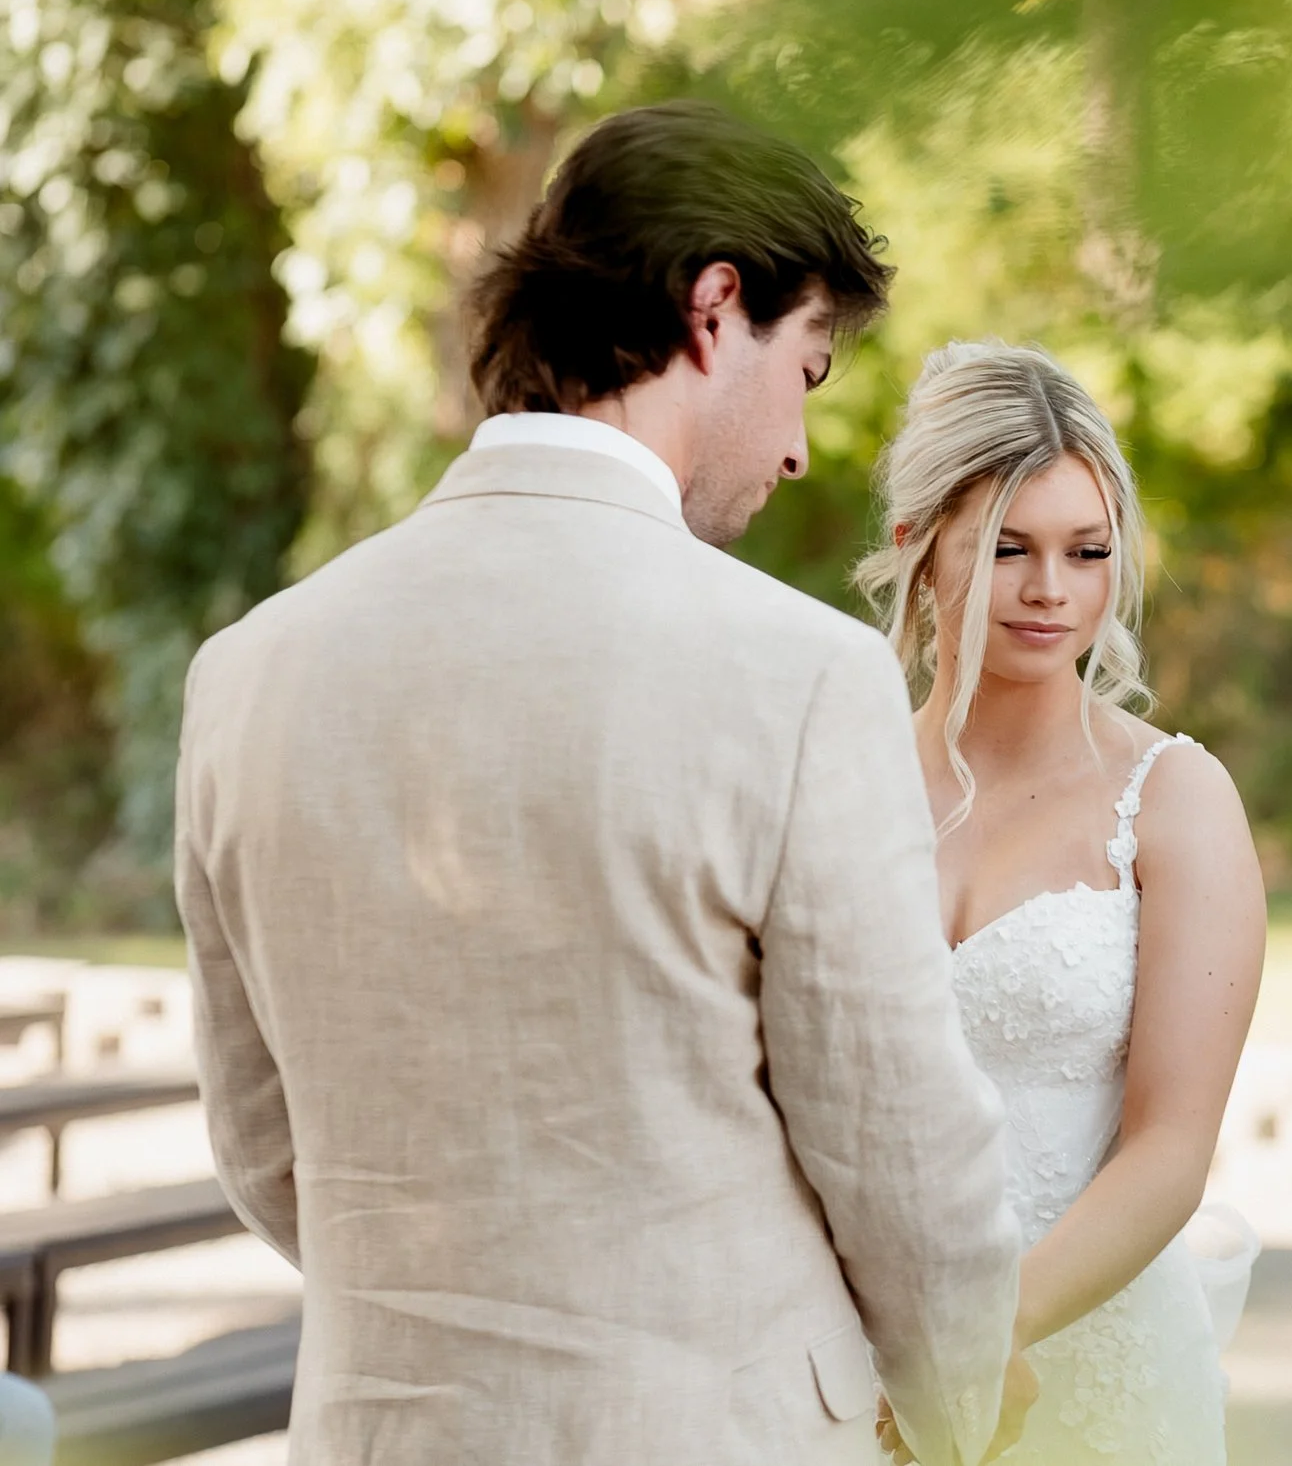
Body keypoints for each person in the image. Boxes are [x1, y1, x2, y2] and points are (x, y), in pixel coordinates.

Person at [174, 101, 1028, 1466]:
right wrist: (960, 1408)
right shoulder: (798, 672)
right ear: (714, 306)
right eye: (807, 367)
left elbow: (263, 1143)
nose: (802, 444)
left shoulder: (246, 669)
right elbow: (897, 1144)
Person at [856, 341, 1267, 1465]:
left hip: (1098, 1366)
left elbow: (1171, 1148)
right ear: (918, 548)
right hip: (856, 1370)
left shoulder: (1175, 800)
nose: (1051, 589)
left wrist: (980, 1335)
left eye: (1086, 551)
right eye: (1006, 548)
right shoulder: (834, 785)